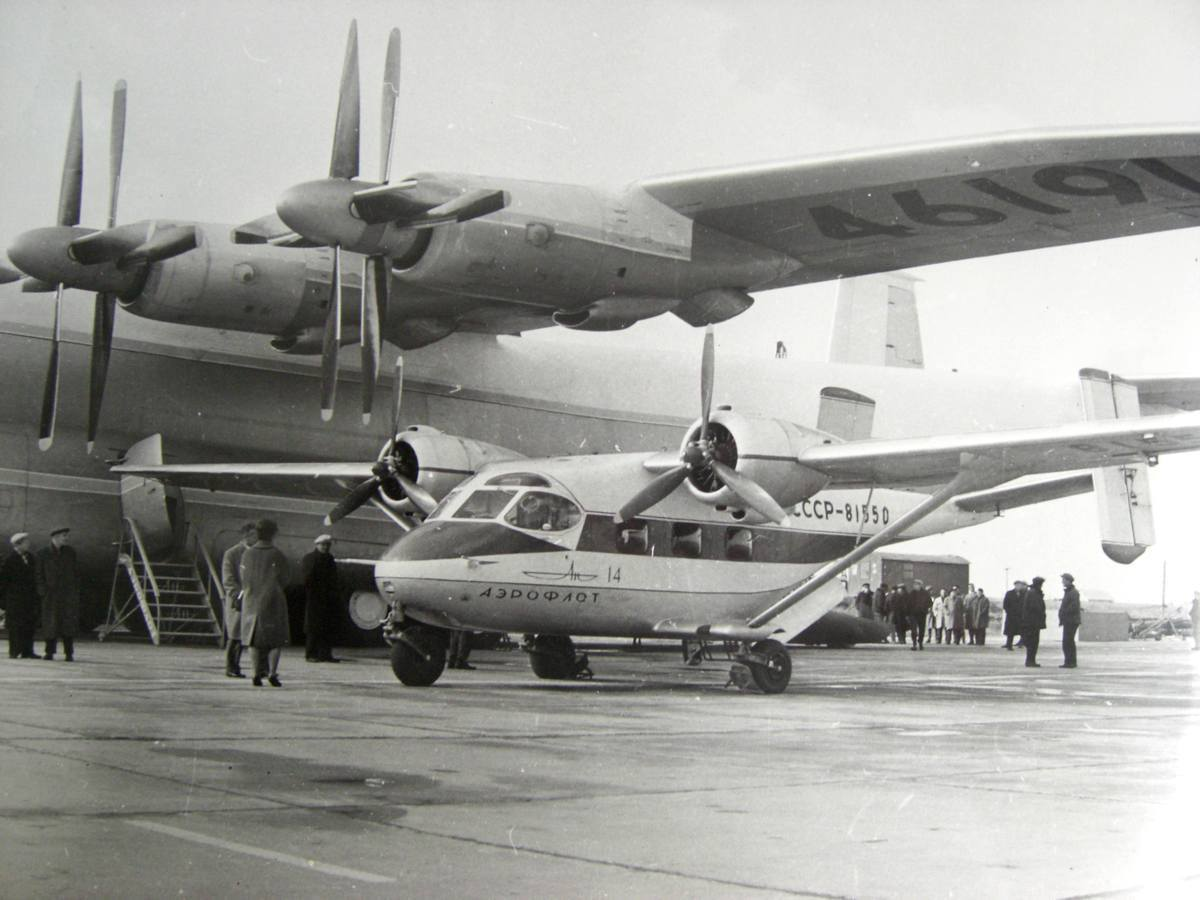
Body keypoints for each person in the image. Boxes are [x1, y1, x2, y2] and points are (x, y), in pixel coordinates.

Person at [239, 519, 290, 687]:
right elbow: (285, 578)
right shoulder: (277, 554)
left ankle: (255, 674)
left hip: (251, 600)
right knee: (276, 640)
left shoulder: (247, 554)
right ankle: (272, 673)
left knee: (253, 639)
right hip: (273, 600)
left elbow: (244, 578)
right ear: (273, 534)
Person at [37, 527, 80, 661]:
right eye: (64, 536)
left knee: (68, 624)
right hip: (51, 594)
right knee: (51, 624)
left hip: (67, 594)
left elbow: (75, 572)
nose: (66, 538)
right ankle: (49, 652)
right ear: (54, 537)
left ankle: (69, 653)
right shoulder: (43, 553)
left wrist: (74, 591)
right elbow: (39, 574)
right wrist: (43, 591)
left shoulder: (70, 552)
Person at [220, 522, 255, 678]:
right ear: (246, 535)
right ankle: (231, 667)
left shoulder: (256, 553)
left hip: (253, 598)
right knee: (235, 634)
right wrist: (238, 594)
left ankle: (250, 667)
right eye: (253, 534)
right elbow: (228, 579)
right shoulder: (232, 553)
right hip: (238, 601)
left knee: (247, 635)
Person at [302, 534, 340, 663]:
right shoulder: (310, 558)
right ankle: (311, 653)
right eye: (323, 544)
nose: (325, 547)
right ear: (317, 545)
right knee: (313, 627)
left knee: (326, 626)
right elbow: (307, 579)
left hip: (327, 598)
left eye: (327, 545)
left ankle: (325, 654)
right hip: (315, 597)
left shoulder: (329, 559)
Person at [0, 533, 39, 659]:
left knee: (29, 624)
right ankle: (14, 650)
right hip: (15, 599)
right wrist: (3, 601)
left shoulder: (31, 558)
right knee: (15, 626)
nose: (28, 544)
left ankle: (28, 650)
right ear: (18, 543)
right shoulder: (10, 560)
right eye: (26, 542)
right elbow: (4, 582)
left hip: (29, 598)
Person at [1022, 576, 1047, 668]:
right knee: (1033, 642)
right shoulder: (1034, 593)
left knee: (1032, 642)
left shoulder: (1032, 592)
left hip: (1031, 622)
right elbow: (1036, 608)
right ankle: (1030, 661)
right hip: (1033, 622)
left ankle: (1030, 660)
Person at [1058, 573, 1081, 668]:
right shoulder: (1069, 591)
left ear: (1068, 580)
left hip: (1071, 620)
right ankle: (1070, 662)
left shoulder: (1073, 592)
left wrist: (1064, 613)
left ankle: (1070, 662)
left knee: (1068, 642)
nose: (1062, 581)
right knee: (1068, 642)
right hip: (1069, 620)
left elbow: (1074, 606)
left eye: (1063, 579)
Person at [1002, 580, 1026, 650]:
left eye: (1021, 585)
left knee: (1022, 630)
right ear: (1015, 585)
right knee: (1010, 632)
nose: (1019, 587)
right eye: (1018, 585)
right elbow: (1005, 604)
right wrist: (1009, 612)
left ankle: (1021, 643)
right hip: (1011, 616)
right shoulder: (1009, 593)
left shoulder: (1024, 594)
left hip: (1020, 616)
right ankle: (1009, 645)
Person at [907, 580, 931, 650]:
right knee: (913, 630)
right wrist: (908, 614)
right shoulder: (912, 593)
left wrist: (925, 608)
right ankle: (914, 644)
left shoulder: (925, 593)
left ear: (920, 585)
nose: (915, 586)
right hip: (913, 614)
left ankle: (920, 643)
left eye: (917, 584)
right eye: (915, 584)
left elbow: (930, 603)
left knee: (921, 629)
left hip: (922, 614)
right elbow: (908, 604)